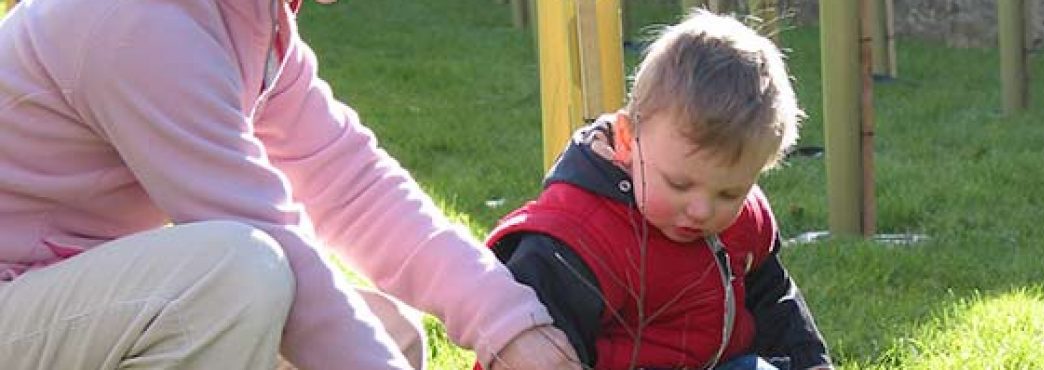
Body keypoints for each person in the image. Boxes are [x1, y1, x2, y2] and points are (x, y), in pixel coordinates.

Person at [0, 0, 579, 369]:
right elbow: (264, 230)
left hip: (49, 296)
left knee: (388, 334)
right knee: (234, 276)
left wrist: (511, 327)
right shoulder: (138, 20)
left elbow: (354, 188)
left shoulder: (253, 20)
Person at [483, 10, 832, 370]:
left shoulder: (744, 220)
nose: (701, 210)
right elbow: (521, 347)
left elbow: (774, 301)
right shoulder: (575, 240)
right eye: (679, 184)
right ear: (626, 139)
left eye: (729, 193)